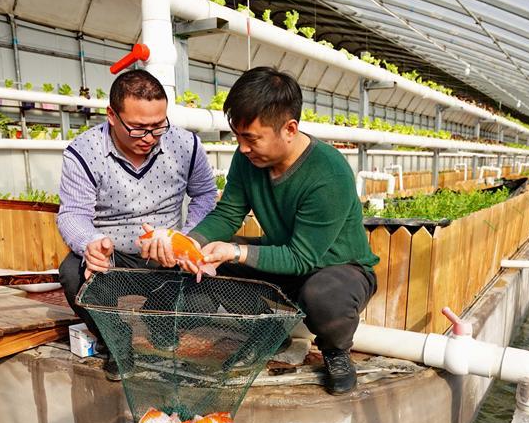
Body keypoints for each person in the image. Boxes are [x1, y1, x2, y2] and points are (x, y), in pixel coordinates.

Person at [144, 66, 378, 395]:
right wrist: (187, 243)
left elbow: (302, 258)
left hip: (337, 269)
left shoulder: (329, 172)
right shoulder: (249, 160)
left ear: (289, 129)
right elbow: (227, 214)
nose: (242, 148)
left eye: (251, 138)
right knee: (216, 262)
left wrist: (237, 251)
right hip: (282, 259)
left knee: (322, 294)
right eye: (238, 137)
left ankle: (336, 350)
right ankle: (270, 330)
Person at [56, 69, 217, 376]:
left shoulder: (187, 145)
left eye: (158, 126)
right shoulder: (84, 152)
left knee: (206, 293)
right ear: (112, 116)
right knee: (72, 274)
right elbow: (73, 212)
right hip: (114, 255)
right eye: (138, 128)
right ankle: (116, 341)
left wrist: (187, 239)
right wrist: (90, 243)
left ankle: (160, 318)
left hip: (168, 255)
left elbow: (206, 195)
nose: (150, 138)